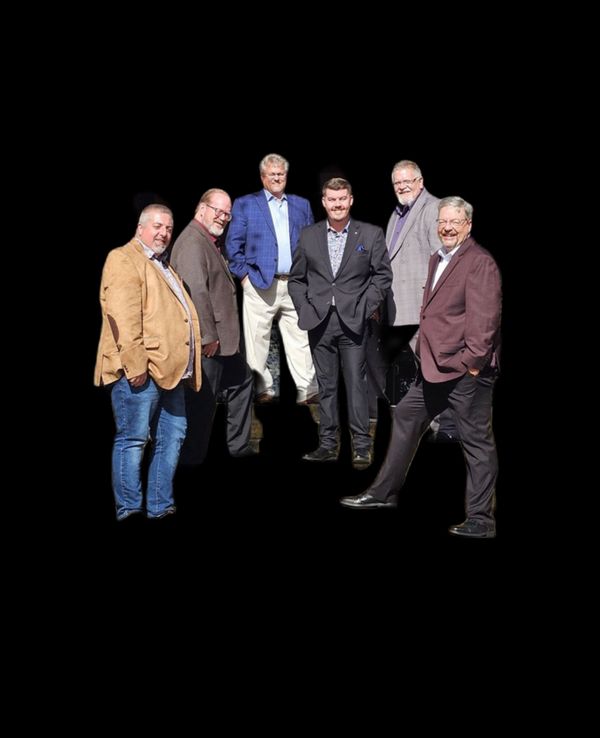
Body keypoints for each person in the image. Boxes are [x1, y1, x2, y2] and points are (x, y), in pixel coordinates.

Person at [340, 197, 501, 539]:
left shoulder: (480, 263)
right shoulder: (437, 257)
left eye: (455, 222)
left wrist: (472, 364)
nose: (447, 227)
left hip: (465, 371)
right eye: (443, 221)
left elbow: (485, 320)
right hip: (434, 368)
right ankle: (383, 493)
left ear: (468, 225)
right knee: (405, 415)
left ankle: (481, 520)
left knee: (476, 443)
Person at [94, 204, 202, 521]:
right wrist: (135, 365)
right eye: (157, 226)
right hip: (142, 370)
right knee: (133, 440)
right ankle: (129, 509)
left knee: (172, 437)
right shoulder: (123, 258)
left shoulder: (162, 265)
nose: (164, 233)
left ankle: (159, 506)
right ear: (140, 228)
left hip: (171, 372)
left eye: (168, 228)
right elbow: (122, 317)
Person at [289, 178, 392, 469]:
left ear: (351, 200)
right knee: (326, 386)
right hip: (319, 321)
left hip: (354, 322)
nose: (337, 204)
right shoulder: (308, 236)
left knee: (357, 385)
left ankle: (361, 446)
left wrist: (365, 307)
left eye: (342, 199)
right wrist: (305, 308)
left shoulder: (370, 234)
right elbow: (297, 279)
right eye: (332, 199)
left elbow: (382, 276)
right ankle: (327, 445)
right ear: (324, 202)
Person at [170, 189, 257, 464]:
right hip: (207, 343)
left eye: (227, 214)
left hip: (223, 343)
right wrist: (208, 336)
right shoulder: (192, 243)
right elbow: (196, 292)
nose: (222, 217)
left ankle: (238, 448)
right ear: (201, 208)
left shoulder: (208, 240)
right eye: (217, 210)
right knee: (201, 404)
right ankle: (190, 461)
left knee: (243, 380)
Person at [225, 153, 318, 405]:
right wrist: (244, 277)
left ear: (286, 176)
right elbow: (233, 245)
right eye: (272, 174)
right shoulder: (245, 204)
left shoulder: (302, 204)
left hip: (295, 282)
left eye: (281, 174)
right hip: (259, 282)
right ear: (262, 177)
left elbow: (312, 243)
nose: (277, 178)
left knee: (300, 337)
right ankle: (261, 390)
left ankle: (308, 390)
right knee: (257, 339)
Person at [375, 159, 457, 440]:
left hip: (425, 305)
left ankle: (449, 426)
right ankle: (437, 423)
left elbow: (444, 259)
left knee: (437, 365)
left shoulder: (433, 208)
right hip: (401, 306)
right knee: (426, 367)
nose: (402, 187)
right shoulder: (396, 215)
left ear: (420, 182)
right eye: (397, 183)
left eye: (407, 181)